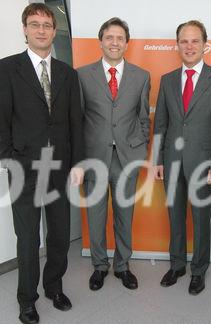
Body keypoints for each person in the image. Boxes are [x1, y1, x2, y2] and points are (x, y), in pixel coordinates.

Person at [0, 3, 84, 324]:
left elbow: (76, 122)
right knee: (28, 237)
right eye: (35, 24)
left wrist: (78, 163)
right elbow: (0, 119)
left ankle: (54, 288)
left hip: (59, 167)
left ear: (54, 31)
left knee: (59, 234)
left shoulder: (67, 74)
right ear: (25, 29)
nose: (42, 30)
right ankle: (26, 300)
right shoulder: (6, 68)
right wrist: (8, 159)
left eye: (47, 25)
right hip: (24, 168)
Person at [153, 20, 211, 295]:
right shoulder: (167, 80)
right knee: (174, 216)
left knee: (201, 219)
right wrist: (158, 160)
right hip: (171, 161)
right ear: (178, 45)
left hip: (204, 163)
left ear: (204, 44)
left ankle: (198, 270)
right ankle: (177, 265)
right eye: (184, 41)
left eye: (195, 41)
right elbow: (160, 123)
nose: (189, 46)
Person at [77, 17, 150, 291]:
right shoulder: (82, 75)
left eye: (120, 38)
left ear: (127, 43)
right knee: (95, 217)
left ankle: (122, 266)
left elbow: (144, 118)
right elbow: (78, 119)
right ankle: (99, 266)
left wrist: (140, 148)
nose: (115, 42)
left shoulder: (141, 76)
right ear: (101, 41)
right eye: (110, 37)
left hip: (126, 160)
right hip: (94, 158)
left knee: (124, 216)